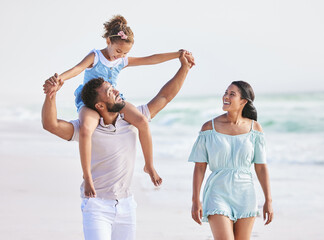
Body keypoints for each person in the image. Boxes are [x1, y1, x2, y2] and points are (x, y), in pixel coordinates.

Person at [42, 51, 193, 240]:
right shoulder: (86, 128)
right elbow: (51, 125)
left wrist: (184, 68)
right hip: (96, 206)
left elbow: (164, 97)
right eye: (109, 91)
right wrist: (51, 96)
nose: (115, 90)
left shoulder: (132, 120)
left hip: (126, 204)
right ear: (100, 106)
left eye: (111, 87)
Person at [44, 15, 195, 197]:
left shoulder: (122, 60)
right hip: (89, 101)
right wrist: (59, 79)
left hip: (113, 98)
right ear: (108, 41)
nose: (120, 56)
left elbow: (151, 59)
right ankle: (87, 177)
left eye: (124, 53)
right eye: (118, 51)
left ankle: (149, 165)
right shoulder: (96, 56)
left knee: (141, 120)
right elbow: (77, 69)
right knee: (85, 130)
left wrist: (178, 54)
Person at [189, 81, 273, 240]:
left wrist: (268, 200)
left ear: (243, 101)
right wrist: (195, 200)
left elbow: (261, 168)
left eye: (232, 94)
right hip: (217, 193)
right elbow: (199, 167)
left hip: (245, 194)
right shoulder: (209, 128)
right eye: (225, 93)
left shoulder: (255, 129)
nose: (225, 97)